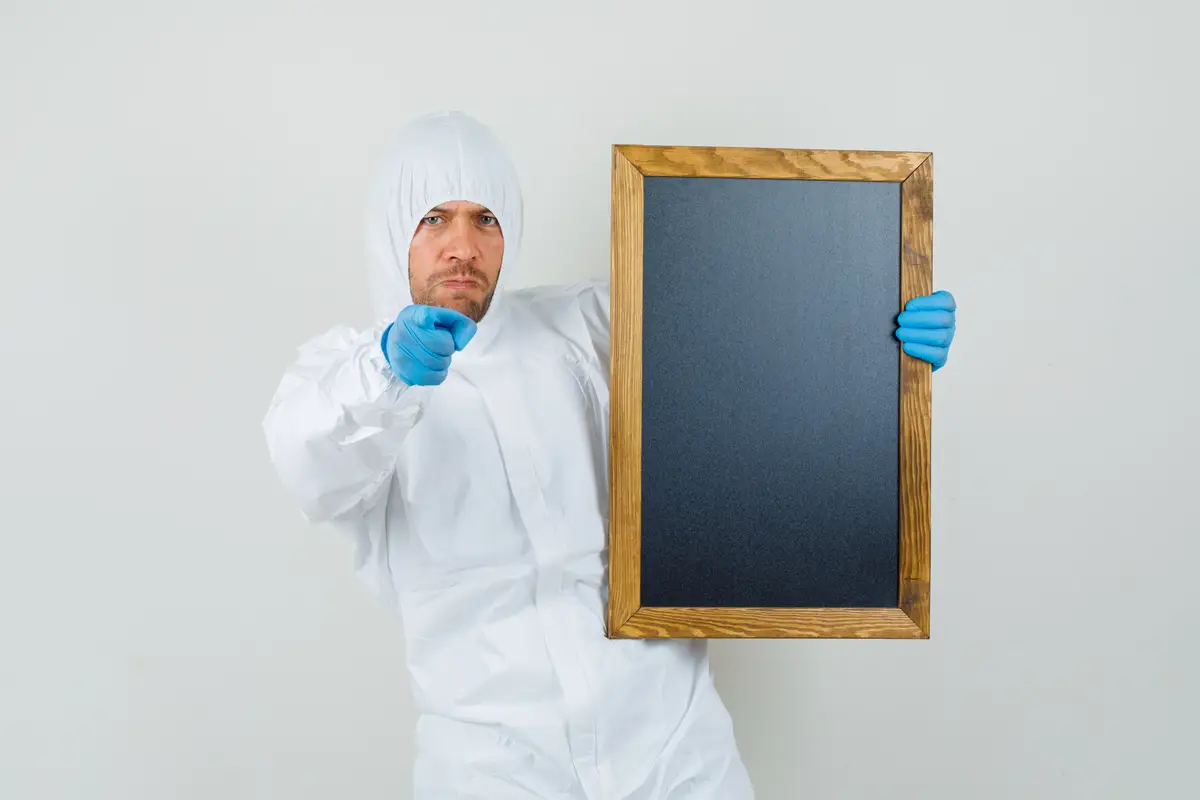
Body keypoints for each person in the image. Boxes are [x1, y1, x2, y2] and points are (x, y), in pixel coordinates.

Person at [262, 110, 957, 799]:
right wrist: (388, 370)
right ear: (392, 232)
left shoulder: (585, 327)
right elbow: (309, 461)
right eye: (433, 219)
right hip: (491, 768)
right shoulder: (350, 379)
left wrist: (880, 332)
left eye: (486, 220)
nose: (462, 247)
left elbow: (752, 341)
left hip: (675, 752)